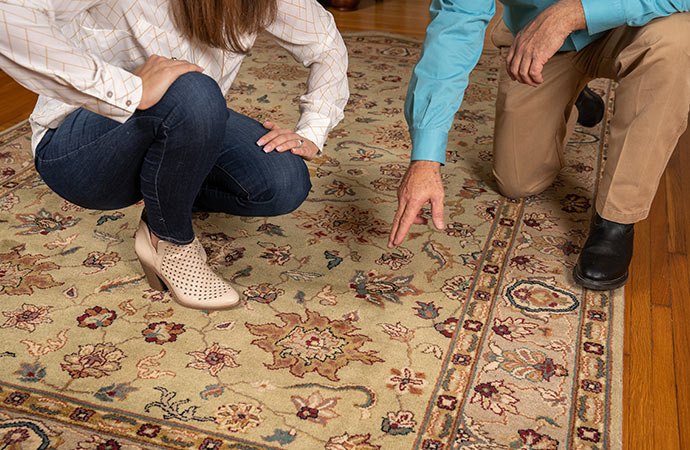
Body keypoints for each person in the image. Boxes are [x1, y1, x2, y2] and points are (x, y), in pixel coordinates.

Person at [0, 0, 348, 309]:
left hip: (190, 123)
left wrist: (312, 131)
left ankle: (164, 206)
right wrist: (128, 89)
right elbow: (8, 14)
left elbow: (326, 43)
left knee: (283, 181)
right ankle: (172, 241)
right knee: (193, 91)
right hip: (79, 154)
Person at [389, 0, 690, 290]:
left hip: (637, 27)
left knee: (677, 42)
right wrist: (425, 158)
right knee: (517, 181)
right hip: (544, 42)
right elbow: (454, 28)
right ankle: (572, 95)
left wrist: (575, 12)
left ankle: (616, 221)